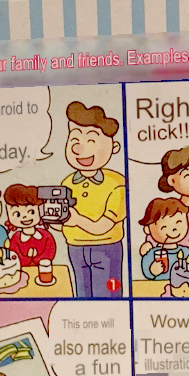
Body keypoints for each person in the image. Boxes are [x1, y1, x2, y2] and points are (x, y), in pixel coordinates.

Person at [60, 101, 126, 297]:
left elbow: (104, 225)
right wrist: (53, 218)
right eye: (74, 139)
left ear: (114, 147)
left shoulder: (117, 184)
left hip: (106, 248)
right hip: (75, 247)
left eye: (91, 140)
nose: (78, 148)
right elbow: (64, 222)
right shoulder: (67, 183)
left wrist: (75, 219)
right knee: (83, 296)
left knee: (107, 297)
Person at [3, 183, 57, 267]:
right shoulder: (16, 238)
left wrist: (37, 259)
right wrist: (28, 258)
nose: (25, 217)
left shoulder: (45, 235)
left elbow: (49, 252)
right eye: (17, 214)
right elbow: (14, 256)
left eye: (31, 212)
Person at [138, 197, 189, 278]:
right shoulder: (153, 254)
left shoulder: (186, 252)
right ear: (148, 229)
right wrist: (152, 271)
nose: (174, 229)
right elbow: (146, 271)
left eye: (179, 222)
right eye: (164, 227)